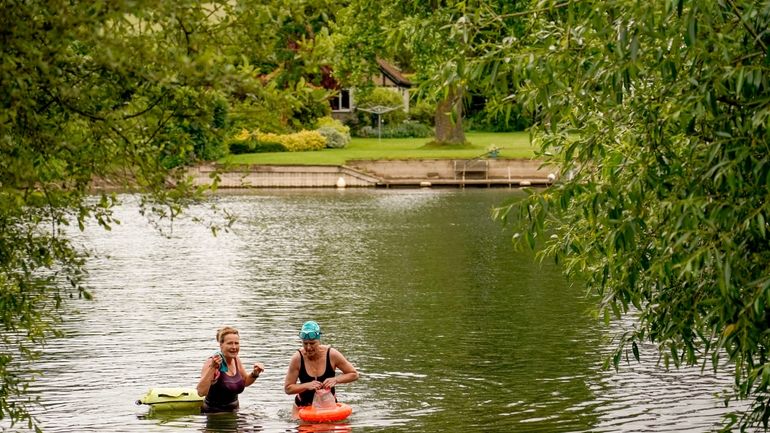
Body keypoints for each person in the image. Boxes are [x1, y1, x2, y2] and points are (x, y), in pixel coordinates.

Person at [283, 321, 359, 411]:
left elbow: (354, 374)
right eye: (305, 343)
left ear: (319, 341)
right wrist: (306, 385)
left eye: (312, 343)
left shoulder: (332, 355)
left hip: (328, 406)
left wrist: (336, 380)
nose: (308, 347)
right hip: (303, 406)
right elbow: (288, 388)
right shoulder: (297, 358)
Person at [197, 326, 265, 413]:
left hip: (234, 413)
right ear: (221, 345)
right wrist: (213, 368)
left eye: (236, 343)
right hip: (215, 416)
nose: (234, 347)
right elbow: (201, 392)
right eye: (230, 343)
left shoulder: (236, 359)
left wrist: (255, 373)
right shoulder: (212, 362)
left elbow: (245, 382)